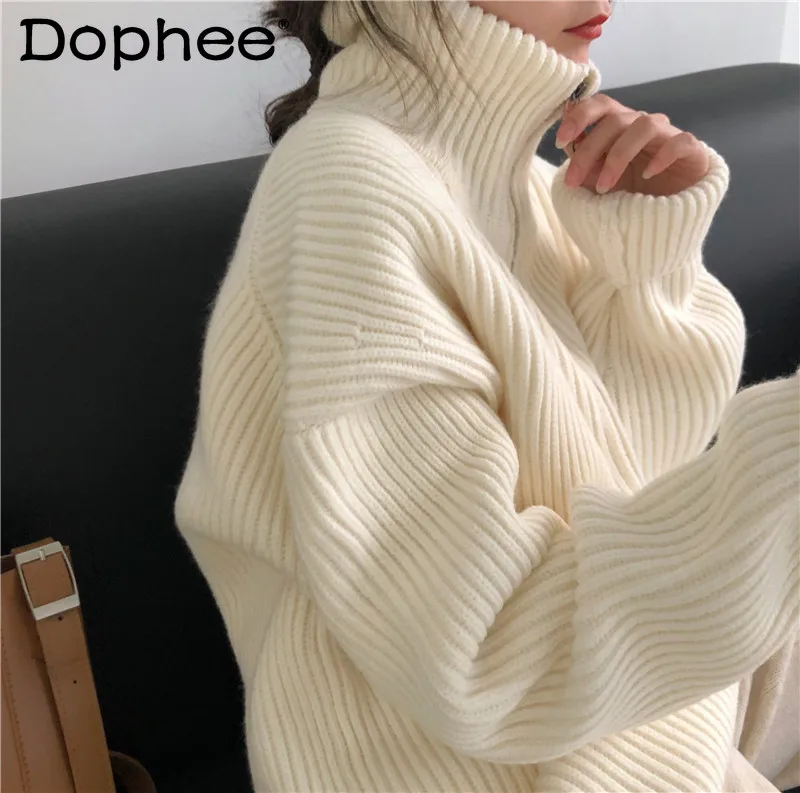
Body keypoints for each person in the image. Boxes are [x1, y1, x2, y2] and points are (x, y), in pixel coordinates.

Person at [173, 2, 800, 790]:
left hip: (619, 729)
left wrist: (642, 261)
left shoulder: (519, 178)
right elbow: (486, 654)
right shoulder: (350, 190)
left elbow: (633, 472)